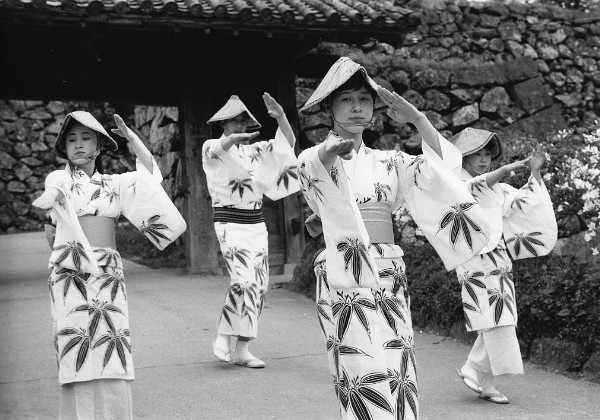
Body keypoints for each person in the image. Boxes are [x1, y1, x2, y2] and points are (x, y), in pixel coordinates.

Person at [297, 57, 491, 420]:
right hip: (345, 273)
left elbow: (442, 169)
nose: (357, 107)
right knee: (362, 372)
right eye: (346, 100)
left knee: (397, 365)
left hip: (389, 270)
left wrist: (418, 119)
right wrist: (329, 151)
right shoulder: (316, 158)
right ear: (329, 108)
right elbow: (309, 167)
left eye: (364, 100)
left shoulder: (390, 161)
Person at [32, 111, 186, 419]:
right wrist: (49, 198)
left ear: (100, 147)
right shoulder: (59, 178)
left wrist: (130, 139)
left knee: (113, 346)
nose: (78, 145)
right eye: (71, 140)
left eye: (86, 138)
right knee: (76, 345)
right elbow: (55, 188)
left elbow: (150, 177)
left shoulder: (116, 184)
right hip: (70, 270)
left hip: (108, 272)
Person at [451, 127, 557, 404]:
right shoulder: (456, 183)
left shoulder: (497, 187)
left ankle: (483, 379)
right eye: (477, 155)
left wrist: (534, 172)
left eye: (488, 154)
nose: (484, 160)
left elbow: (522, 203)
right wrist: (505, 170)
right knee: (496, 317)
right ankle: (475, 370)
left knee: (501, 317)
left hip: (498, 258)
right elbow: (474, 189)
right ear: (464, 158)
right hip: (473, 257)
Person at [202, 93, 300, 368]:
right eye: (233, 120)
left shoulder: (256, 151)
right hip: (229, 222)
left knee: (258, 285)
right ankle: (224, 335)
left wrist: (280, 117)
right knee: (241, 280)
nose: (239, 124)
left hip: (255, 224)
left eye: (243, 119)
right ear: (224, 122)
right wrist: (231, 141)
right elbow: (219, 149)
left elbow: (285, 147)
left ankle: (243, 348)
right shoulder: (213, 146)